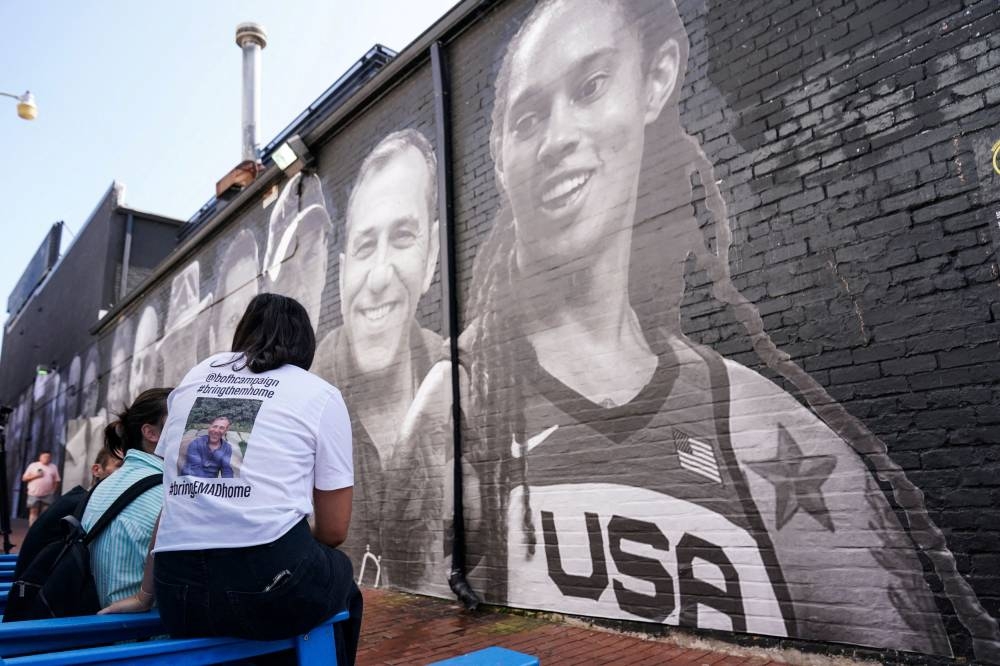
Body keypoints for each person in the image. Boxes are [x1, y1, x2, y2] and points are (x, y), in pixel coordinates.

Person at [397, 0, 998, 658]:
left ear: (655, 81)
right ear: (499, 156)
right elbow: (416, 635)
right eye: (528, 117)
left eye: (591, 87)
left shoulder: (758, 425)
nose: (558, 136)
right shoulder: (454, 410)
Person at [102, 293, 361, 665]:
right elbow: (335, 531)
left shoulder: (193, 380)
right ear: (306, 343)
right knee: (340, 583)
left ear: (243, 333)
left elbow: (176, 501)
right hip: (265, 586)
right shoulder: (319, 393)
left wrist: (145, 596)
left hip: (177, 593)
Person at [313, 129, 444, 591]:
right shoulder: (304, 399)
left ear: (432, 257)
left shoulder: (470, 383)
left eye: (403, 238)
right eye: (366, 247)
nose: (380, 277)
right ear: (344, 267)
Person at [82, 388, 170, 608]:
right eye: (182, 419)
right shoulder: (167, 493)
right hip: (148, 635)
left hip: (103, 626)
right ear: (151, 433)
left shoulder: (107, 485)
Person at [22, 452, 60, 527]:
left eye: (48, 457)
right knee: (33, 511)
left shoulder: (53, 467)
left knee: (46, 512)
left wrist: (53, 491)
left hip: (48, 494)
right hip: (34, 493)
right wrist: (36, 475)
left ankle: (41, 529)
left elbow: (57, 480)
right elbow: (24, 478)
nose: (46, 458)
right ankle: (32, 528)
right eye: (44, 457)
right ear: (40, 457)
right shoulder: (33, 465)